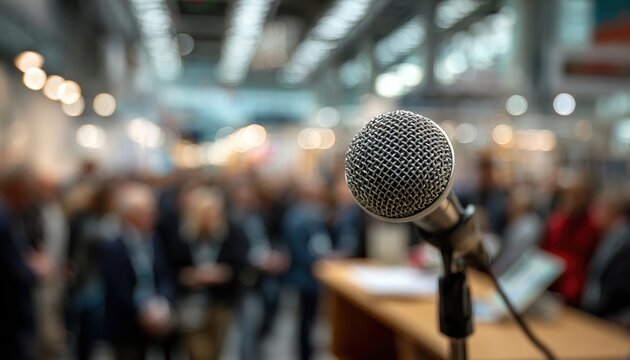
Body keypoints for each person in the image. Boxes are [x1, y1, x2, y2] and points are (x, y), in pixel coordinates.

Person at [173, 186, 249, 360]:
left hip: (220, 302)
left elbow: (240, 264)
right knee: (198, 352)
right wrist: (187, 276)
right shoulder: (184, 236)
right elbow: (171, 266)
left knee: (216, 350)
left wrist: (223, 272)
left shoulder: (230, 233)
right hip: (191, 302)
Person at [101, 182, 175, 360]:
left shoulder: (155, 240)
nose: (154, 216)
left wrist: (162, 304)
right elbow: (117, 287)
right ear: (131, 215)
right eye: (148, 212)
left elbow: (164, 275)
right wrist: (142, 310)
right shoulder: (113, 246)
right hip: (128, 323)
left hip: (159, 315)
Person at [0, 166, 54, 359]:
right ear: (18, 189)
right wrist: (36, 271)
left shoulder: (10, 214)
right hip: (9, 310)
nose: (31, 198)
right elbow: (12, 268)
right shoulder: (4, 218)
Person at [540, 177, 600, 306]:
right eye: (571, 196)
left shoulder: (593, 227)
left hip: (574, 290)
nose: (574, 200)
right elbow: (544, 252)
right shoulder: (556, 222)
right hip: (549, 280)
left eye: (579, 196)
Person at [582, 187, 630, 326]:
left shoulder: (622, 238)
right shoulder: (610, 235)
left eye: (599, 209)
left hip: (615, 318)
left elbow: (618, 284)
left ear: (614, 211)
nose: (593, 213)